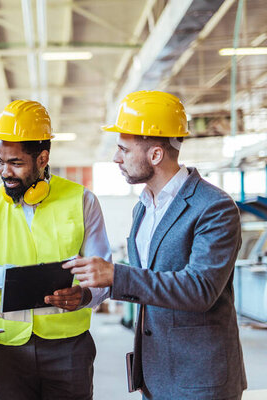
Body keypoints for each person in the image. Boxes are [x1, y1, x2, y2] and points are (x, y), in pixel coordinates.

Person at [64, 90, 247, 399]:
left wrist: (116, 275)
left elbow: (200, 289)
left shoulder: (214, 207)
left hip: (200, 379)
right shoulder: (143, 208)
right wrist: (86, 294)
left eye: (123, 149)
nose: (116, 158)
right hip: (156, 372)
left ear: (156, 155)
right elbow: (148, 281)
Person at [0, 100, 112, 400]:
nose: (5, 172)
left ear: (42, 158)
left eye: (16, 163)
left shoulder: (82, 201)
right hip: (6, 346)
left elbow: (103, 274)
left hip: (68, 346)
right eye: (1, 161)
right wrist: (10, 277)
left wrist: (84, 296)